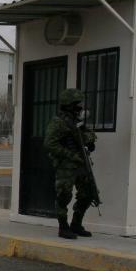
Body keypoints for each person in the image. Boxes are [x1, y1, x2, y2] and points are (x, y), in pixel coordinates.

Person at [44, 88, 99, 239]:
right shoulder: (59, 123)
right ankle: (63, 227)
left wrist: (89, 139)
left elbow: (88, 134)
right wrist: (70, 155)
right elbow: (49, 144)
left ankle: (76, 224)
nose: (80, 107)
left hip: (81, 164)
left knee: (88, 194)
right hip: (66, 167)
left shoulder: (76, 122)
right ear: (68, 104)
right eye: (77, 104)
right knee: (64, 196)